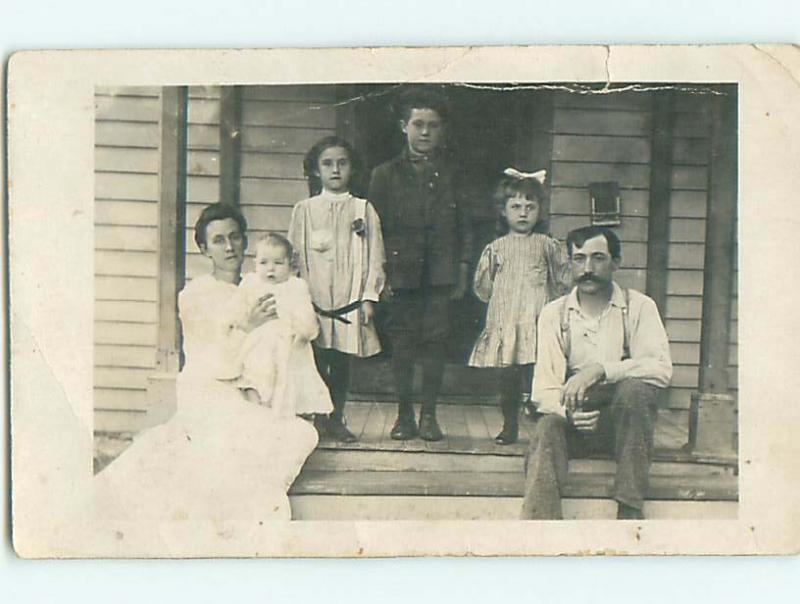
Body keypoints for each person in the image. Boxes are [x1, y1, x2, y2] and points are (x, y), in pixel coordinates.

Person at [91, 203, 320, 536]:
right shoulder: (195, 295)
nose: (229, 247)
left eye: (235, 237)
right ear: (203, 248)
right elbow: (210, 359)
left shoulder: (258, 287)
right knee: (244, 446)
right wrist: (246, 327)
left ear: (245, 242)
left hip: (248, 391)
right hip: (208, 388)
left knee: (296, 433)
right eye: (218, 240)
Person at [521, 226, 673, 520]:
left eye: (598, 258)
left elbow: (660, 368)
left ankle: (629, 509)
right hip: (576, 418)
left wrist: (601, 370)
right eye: (579, 259)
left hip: (624, 425)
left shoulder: (639, 307)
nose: (587, 269)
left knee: (635, 391)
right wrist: (568, 414)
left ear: (616, 262)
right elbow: (543, 389)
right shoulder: (555, 314)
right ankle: (541, 527)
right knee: (546, 428)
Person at [368, 89, 473, 442]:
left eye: (433, 126)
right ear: (403, 127)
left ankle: (429, 415)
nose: (425, 132)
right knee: (403, 346)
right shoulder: (384, 175)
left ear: (442, 131)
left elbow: (465, 227)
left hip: (440, 276)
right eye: (418, 124)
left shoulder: (454, 173)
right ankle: (403, 415)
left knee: (435, 345)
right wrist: (380, 276)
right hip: (401, 276)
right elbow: (373, 228)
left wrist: (460, 268)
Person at [288, 136, 386, 442]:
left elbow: (375, 256)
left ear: (352, 169)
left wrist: (369, 297)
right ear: (316, 170)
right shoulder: (304, 210)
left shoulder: (363, 209)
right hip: (314, 302)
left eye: (342, 163)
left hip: (348, 303)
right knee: (315, 363)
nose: (335, 170)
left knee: (341, 363)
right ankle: (315, 420)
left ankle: (336, 418)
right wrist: (296, 298)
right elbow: (294, 257)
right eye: (327, 164)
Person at [468, 168, 570, 445]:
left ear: (539, 211)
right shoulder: (496, 247)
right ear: (503, 211)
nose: (523, 213)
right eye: (515, 207)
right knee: (509, 379)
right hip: (508, 321)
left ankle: (542, 427)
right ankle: (509, 425)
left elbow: (562, 280)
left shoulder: (547, 245)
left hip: (537, 322)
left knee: (539, 377)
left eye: (530, 207)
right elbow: (483, 288)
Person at [232, 233, 333, 419]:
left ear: (289, 265)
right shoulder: (250, 283)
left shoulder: (296, 287)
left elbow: (307, 319)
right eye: (263, 263)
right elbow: (239, 312)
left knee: (288, 384)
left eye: (278, 263)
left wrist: (301, 331)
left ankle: (287, 420)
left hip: (289, 345)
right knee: (257, 379)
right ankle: (259, 414)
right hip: (258, 344)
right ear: (255, 264)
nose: (270, 269)